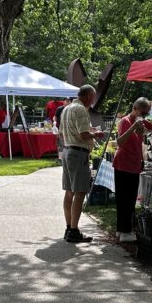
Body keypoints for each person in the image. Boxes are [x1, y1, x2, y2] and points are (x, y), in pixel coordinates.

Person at [59, 84, 103, 244]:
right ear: (88, 96)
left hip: (68, 151)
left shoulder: (67, 108)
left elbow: (63, 133)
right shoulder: (81, 110)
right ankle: (74, 231)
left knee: (69, 191)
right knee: (79, 192)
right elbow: (84, 135)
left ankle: (69, 227)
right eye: (92, 98)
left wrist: (87, 131)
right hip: (78, 153)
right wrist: (96, 133)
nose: (93, 101)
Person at [113, 97, 152, 242]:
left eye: (146, 114)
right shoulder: (125, 121)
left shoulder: (142, 121)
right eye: (143, 113)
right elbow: (119, 142)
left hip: (134, 165)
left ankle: (123, 229)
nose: (145, 116)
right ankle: (124, 231)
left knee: (131, 199)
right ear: (135, 108)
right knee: (123, 199)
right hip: (123, 164)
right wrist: (134, 127)